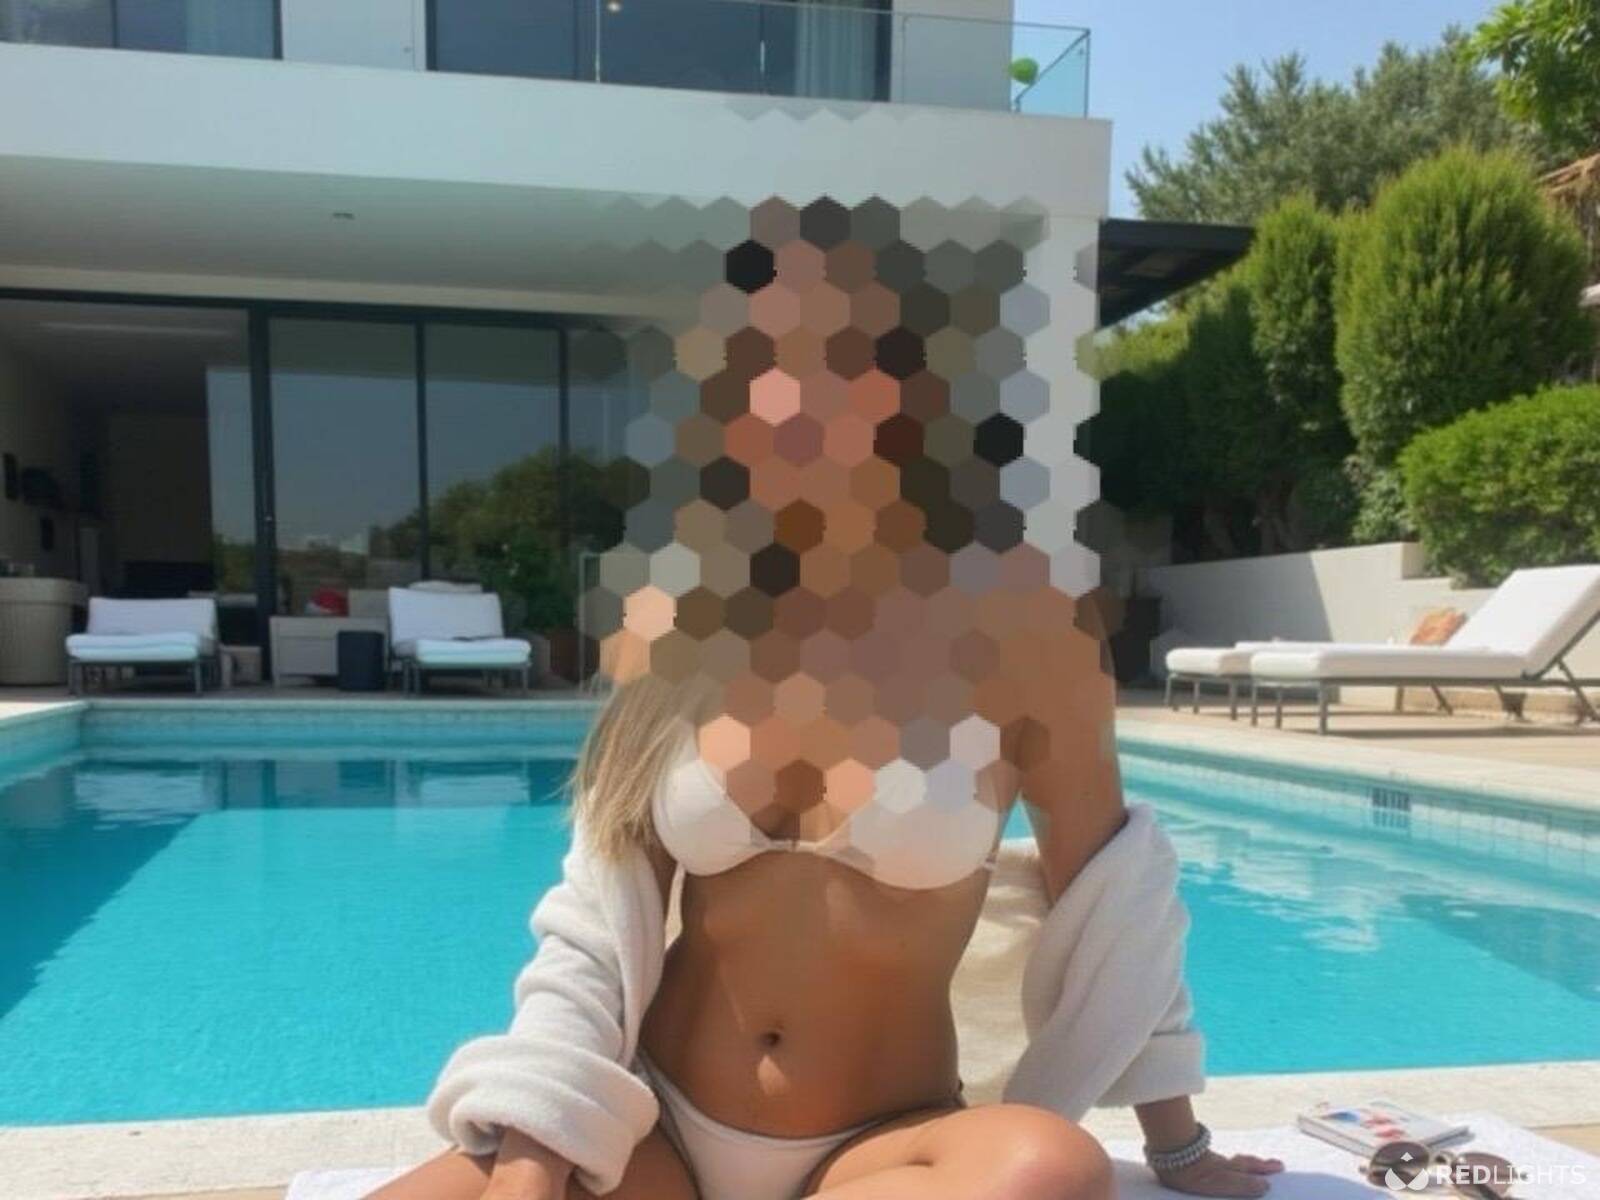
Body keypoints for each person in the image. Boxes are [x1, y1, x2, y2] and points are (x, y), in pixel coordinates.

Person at [371, 211, 1283, 1200]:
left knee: (1047, 1170)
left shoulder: (1030, 629)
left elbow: (1116, 908)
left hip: (880, 1145)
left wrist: (1178, 1146)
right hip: (654, 1129)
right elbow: (594, 912)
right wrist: (535, 1158)